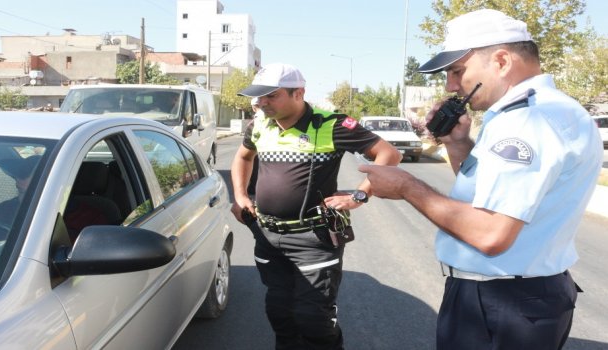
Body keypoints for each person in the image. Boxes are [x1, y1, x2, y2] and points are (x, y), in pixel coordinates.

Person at [358, 9, 603, 349]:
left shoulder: (527, 121)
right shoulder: (545, 109)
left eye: (457, 71)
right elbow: (489, 194)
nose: (451, 85)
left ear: (501, 61)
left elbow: (491, 233)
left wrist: (406, 186)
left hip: (503, 301)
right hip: (517, 297)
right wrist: (459, 144)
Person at [230, 63, 402, 349]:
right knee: (280, 314)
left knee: (313, 320)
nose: (261, 103)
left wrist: (359, 196)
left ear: (299, 93)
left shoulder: (331, 124)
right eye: (259, 97)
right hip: (267, 235)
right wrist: (240, 195)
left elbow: (389, 154)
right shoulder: (259, 124)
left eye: (271, 96)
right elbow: (243, 158)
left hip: (314, 238)